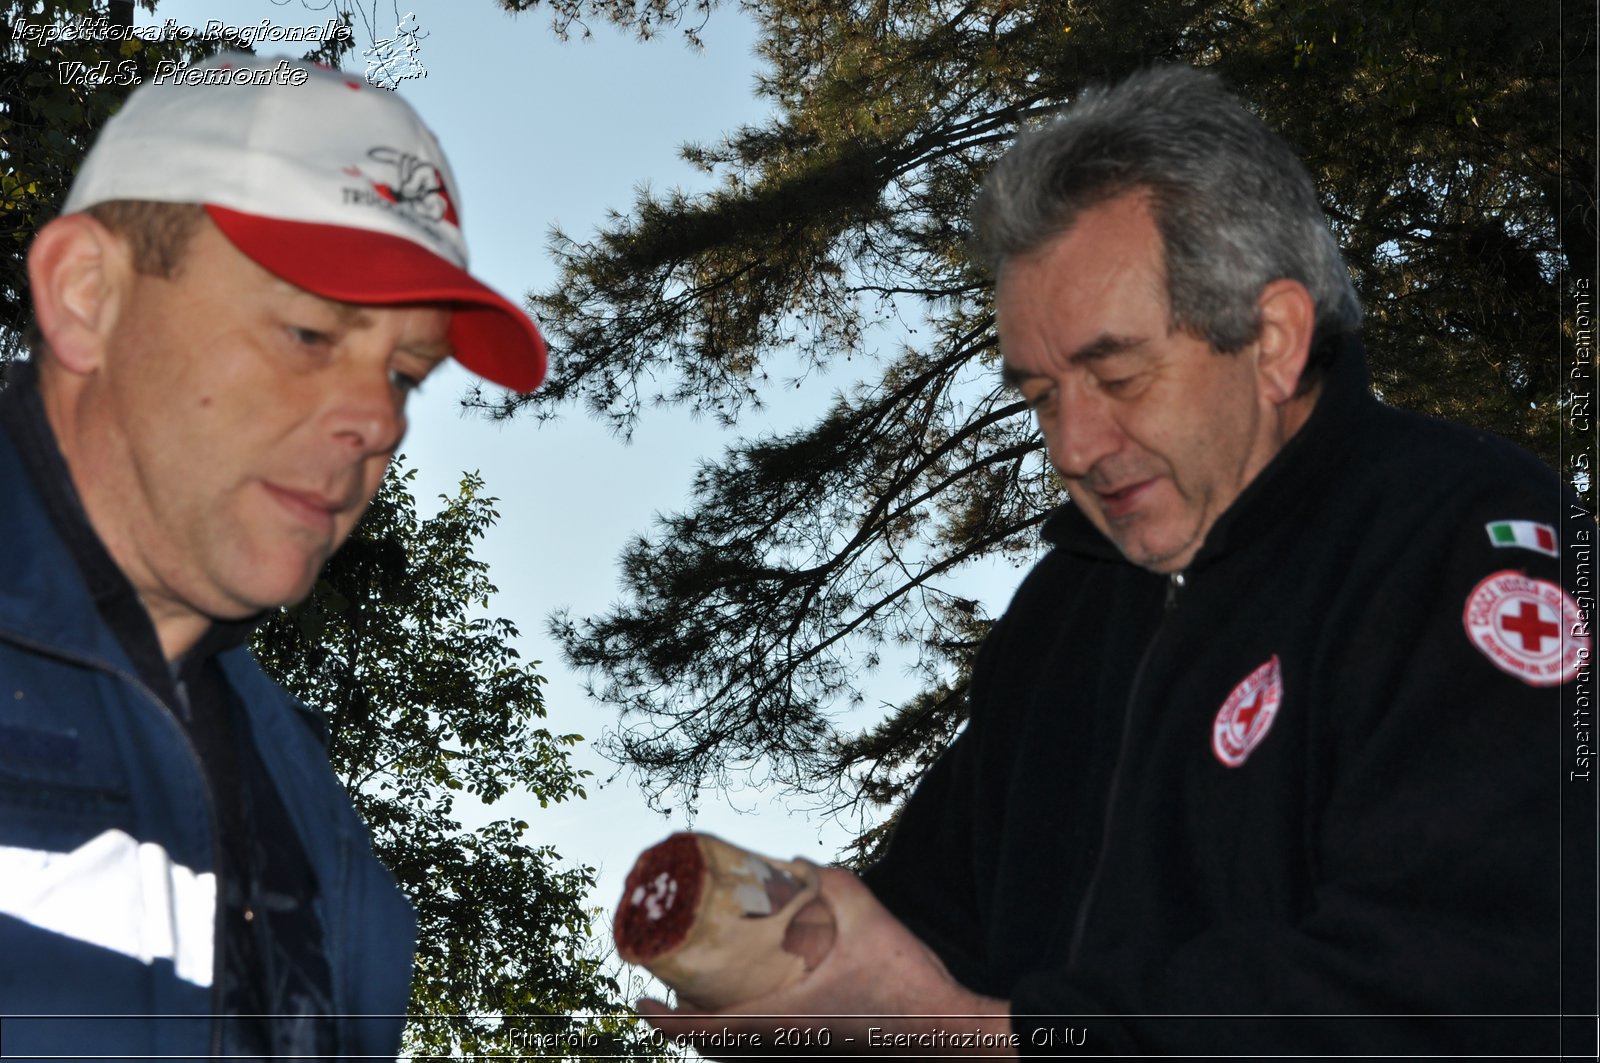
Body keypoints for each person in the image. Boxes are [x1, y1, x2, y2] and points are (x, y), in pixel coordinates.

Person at [643, 64, 1596, 1057]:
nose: (1073, 445)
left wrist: (993, 1036)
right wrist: (797, 977)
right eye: (1041, 395)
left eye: (1116, 374)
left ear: (1271, 339)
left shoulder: (1473, 540)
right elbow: (926, 944)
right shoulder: (1065, 611)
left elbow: (1492, 988)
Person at [0, 53, 547, 1059]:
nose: (378, 418)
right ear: (85, 295)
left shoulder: (325, 843)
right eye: (307, 332)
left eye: (406, 374)